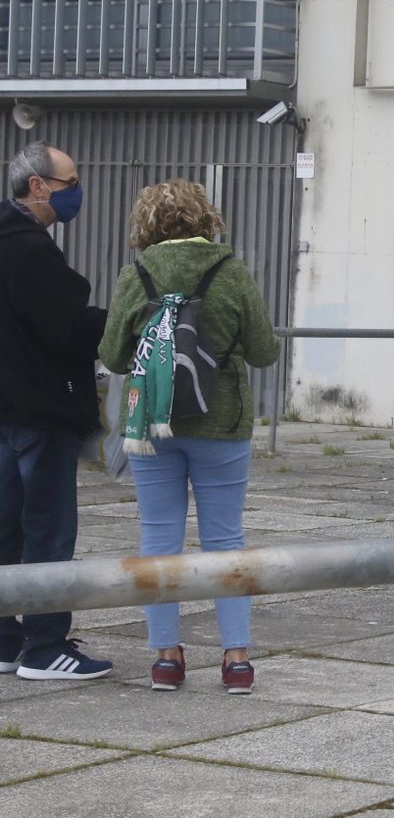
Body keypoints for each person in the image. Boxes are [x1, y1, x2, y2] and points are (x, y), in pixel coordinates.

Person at [98, 180, 280, 694]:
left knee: (159, 539)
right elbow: (265, 351)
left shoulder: (135, 275)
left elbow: (112, 357)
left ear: (146, 225)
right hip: (221, 423)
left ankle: (166, 659)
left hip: (151, 426)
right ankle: (237, 660)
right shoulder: (230, 271)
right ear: (207, 218)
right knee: (226, 541)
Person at [0, 142, 114, 682]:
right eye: (70, 183)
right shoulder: (29, 249)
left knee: (5, 525)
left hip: (6, 407)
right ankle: (45, 645)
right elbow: (66, 328)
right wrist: (119, 323)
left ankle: (4, 638)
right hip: (40, 409)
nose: (77, 192)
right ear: (38, 186)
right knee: (47, 528)